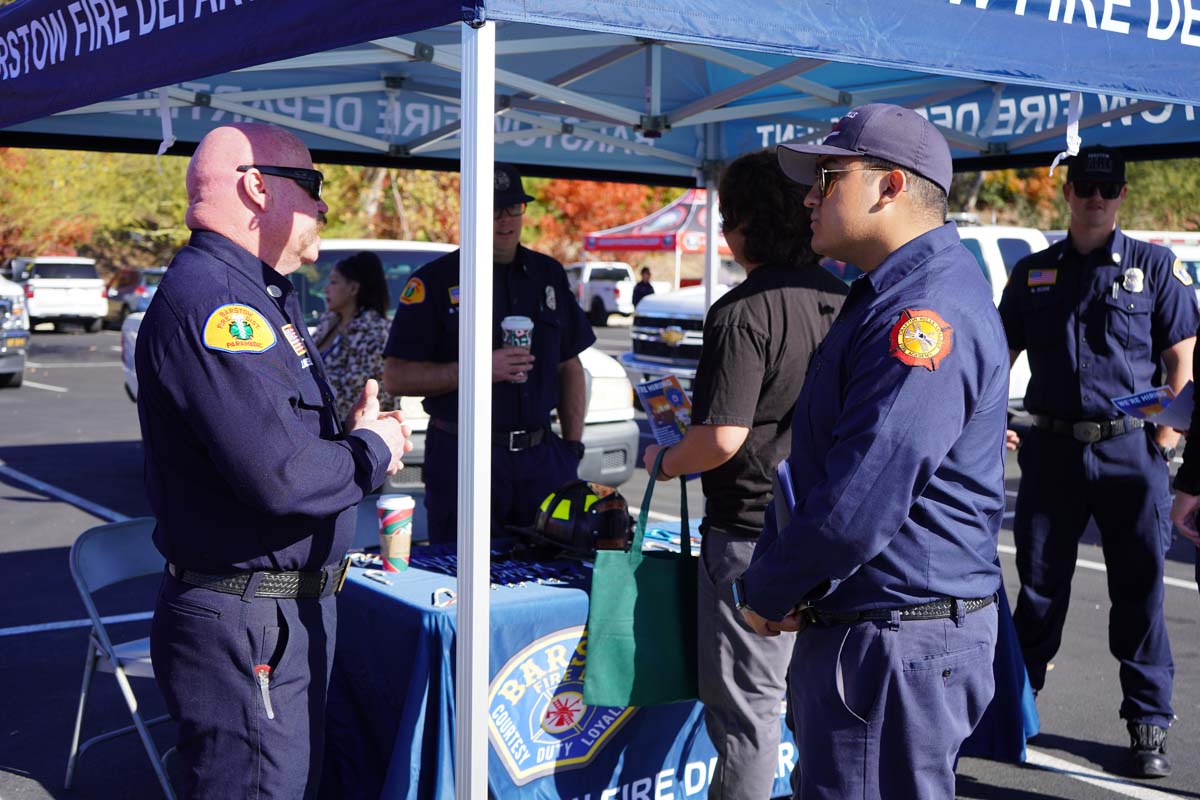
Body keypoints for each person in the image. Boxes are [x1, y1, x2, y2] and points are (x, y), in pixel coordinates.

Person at [735, 104, 1008, 799]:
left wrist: (769, 589)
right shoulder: (891, 294)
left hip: (894, 640)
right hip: (878, 633)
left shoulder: (924, 312)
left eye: (826, 176)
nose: (806, 195)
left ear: (888, 187)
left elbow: (863, 495)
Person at [136, 123, 411, 799]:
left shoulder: (255, 292)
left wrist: (348, 440)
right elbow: (281, 477)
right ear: (256, 187)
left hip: (274, 616)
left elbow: (280, 446)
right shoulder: (218, 302)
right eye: (311, 185)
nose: (322, 207)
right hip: (248, 621)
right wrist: (375, 449)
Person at [642, 150, 847, 799]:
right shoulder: (846, 299)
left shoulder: (741, 312)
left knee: (747, 716)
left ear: (738, 227)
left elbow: (721, 439)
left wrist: (664, 459)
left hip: (751, 534)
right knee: (821, 706)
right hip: (835, 532)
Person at [1000, 145, 1197, 779]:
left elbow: (1183, 358)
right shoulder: (1033, 273)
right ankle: (1013, 712)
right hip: (1052, 449)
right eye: (1085, 186)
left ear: (1122, 195)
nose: (1095, 198)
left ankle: (1147, 724)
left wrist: (1166, 441)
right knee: (1038, 592)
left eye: (1106, 189)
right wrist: (989, 424)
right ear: (1067, 192)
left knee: (1139, 593)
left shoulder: (1154, 266)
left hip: (1129, 451)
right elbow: (993, 358)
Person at [382, 163, 594, 544]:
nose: (505, 219)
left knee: (547, 580)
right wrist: (480, 369)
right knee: (459, 577)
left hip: (541, 458)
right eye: (494, 209)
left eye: (514, 208)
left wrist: (572, 447)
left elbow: (571, 365)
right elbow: (396, 376)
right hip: (464, 455)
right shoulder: (435, 280)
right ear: (473, 211)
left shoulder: (548, 275)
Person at [313, 251, 395, 426]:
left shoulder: (376, 330)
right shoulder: (330, 321)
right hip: (321, 427)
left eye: (334, 282)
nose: (326, 289)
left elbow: (355, 394)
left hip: (358, 432)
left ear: (353, 288)